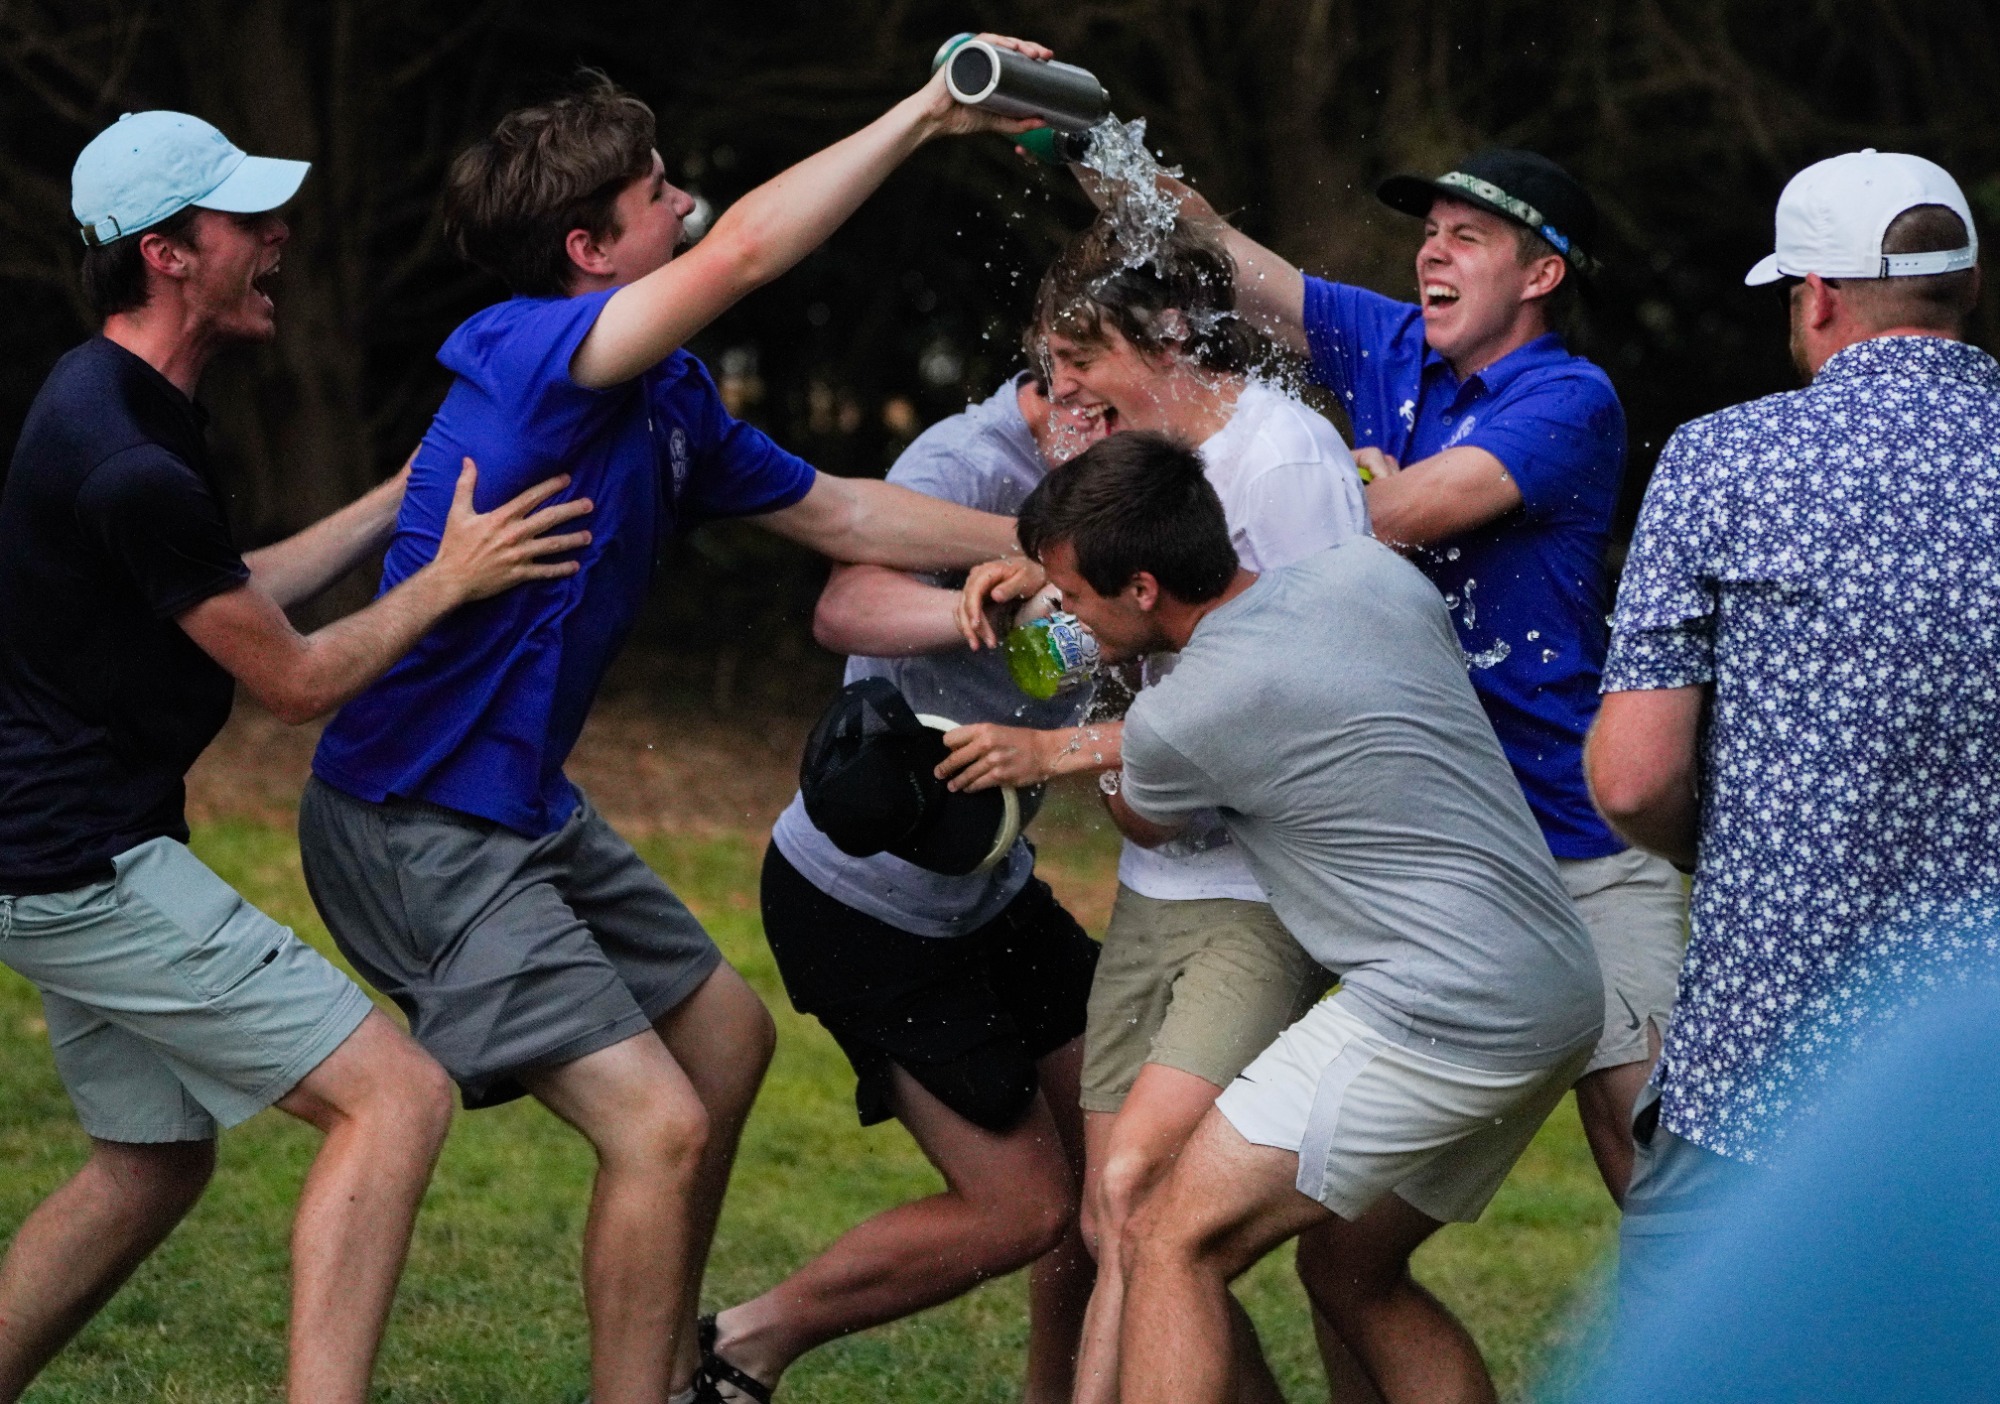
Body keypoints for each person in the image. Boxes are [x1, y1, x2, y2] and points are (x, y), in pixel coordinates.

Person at [292, 54, 1051, 1404]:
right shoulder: (538, 354)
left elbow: (844, 518)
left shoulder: (669, 396)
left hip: (520, 806)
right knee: (656, 1127)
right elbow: (753, 246)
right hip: (416, 818)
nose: (688, 205)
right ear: (590, 250)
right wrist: (927, 112)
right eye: (657, 196)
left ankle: (664, 1366)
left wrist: (1062, 547)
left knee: (723, 1043)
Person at [0, 112, 591, 1403]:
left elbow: (235, 592)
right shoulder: (122, 454)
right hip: (80, 867)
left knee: (151, 1163)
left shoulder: (125, 404)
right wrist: (448, 579)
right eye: (245, 225)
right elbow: (292, 678)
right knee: (396, 1100)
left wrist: (404, 492)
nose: (277, 242)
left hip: (59, 853)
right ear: (166, 254)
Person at [1127, 147, 1684, 1207]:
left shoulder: (1569, 398)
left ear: (1540, 276)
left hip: (1577, 837)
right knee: (1347, 1249)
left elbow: (1389, 518)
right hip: (1452, 853)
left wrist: (1343, 481)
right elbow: (1212, 246)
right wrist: (1078, 133)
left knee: (1644, 1156)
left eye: (1466, 236)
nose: (1431, 249)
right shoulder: (1388, 341)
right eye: (1427, 231)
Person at [1011, 431, 1602, 1404]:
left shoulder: (1188, 712)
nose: (1063, 618)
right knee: (1349, 1271)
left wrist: (1089, 709)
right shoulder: (1367, 575)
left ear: (1145, 587)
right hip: (1554, 988)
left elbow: (1144, 814)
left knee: (1166, 1231)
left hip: (1438, 1010)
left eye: (1072, 599)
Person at [941, 215, 1369, 1403]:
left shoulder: (1281, 464)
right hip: (1156, 878)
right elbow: (1127, 623)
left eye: (1079, 359)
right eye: (1050, 362)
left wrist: (1060, 750)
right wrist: (1041, 580)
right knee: (1111, 1210)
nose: (1058, 388)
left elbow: (1314, 689)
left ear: (1169, 333)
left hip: (1261, 890)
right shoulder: (1118, 461)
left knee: (1136, 1196)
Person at [1584, 151, 2000, 1308]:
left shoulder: (1723, 461)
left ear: (1813, 295)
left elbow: (1630, 778)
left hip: (1766, 1070)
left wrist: (1726, 853)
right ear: (1964, 287)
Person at [698, 373, 1102, 1404]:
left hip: (992, 891)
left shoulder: (1130, 462)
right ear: (1055, 360)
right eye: (1094, 391)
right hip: (862, 908)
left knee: (1116, 1174)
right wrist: (985, 602)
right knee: (1021, 1210)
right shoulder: (963, 463)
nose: (1117, 417)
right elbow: (845, 604)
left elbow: (1083, 655)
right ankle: (742, 1342)